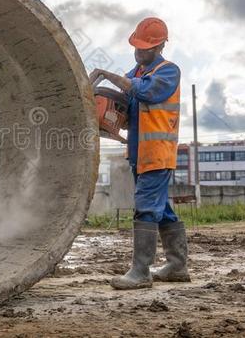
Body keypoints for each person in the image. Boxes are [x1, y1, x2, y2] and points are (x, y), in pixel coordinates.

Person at [89, 17, 190, 290]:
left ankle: (141, 272)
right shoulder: (136, 72)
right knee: (162, 209)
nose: (138, 51)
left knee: (146, 207)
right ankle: (177, 266)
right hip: (138, 153)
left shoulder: (168, 72)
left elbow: (146, 92)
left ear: (158, 47)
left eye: (144, 47)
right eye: (136, 46)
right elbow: (126, 103)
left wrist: (109, 76)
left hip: (157, 153)